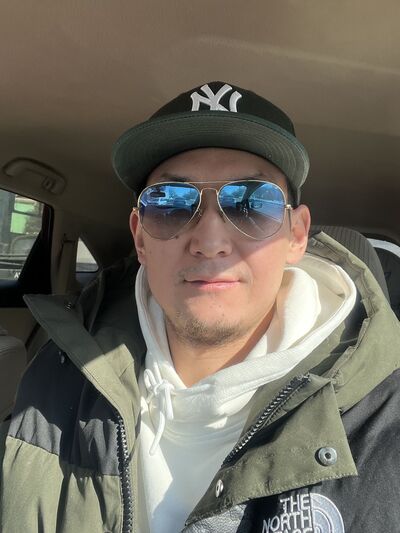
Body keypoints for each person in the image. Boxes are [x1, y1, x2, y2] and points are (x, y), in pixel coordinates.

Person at [1, 81, 400, 533]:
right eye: (171, 203)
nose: (210, 241)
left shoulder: (381, 419)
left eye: (250, 203)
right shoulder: (56, 379)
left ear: (296, 235)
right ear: (140, 237)